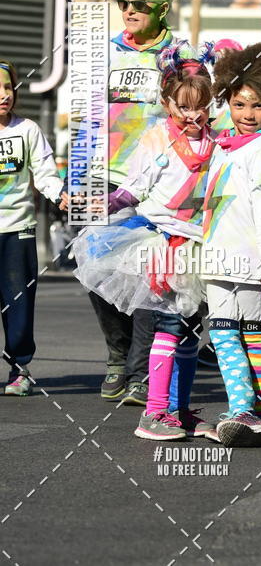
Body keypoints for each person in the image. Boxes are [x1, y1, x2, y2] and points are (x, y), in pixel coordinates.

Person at [74, 41, 219, 440]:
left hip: (200, 247)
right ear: (168, 103)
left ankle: (180, 409)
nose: (193, 114)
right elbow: (132, 190)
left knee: (190, 332)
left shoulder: (216, 141)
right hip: (161, 244)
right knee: (168, 328)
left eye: (200, 105)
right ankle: (154, 412)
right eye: (184, 106)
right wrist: (101, 207)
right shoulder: (158, 138)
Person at [87, 0, 184, 406]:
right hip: (105, 174)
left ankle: (141, 372)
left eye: (139, 5)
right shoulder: (103, 53)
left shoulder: (180, 54)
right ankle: (117, 351)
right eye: (123, 3)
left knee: (151, 275)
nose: (128, 10)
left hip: (159, 177)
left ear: (162, 9)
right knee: (93, 264)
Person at [201, 42, 261, 447]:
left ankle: (247, 411)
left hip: (249, 261)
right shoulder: (225, 142)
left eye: (257, 107)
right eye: (239, 105)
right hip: (218, 257)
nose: (247, 114)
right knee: (231, 335)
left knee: (247, 337)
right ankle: (248, 412)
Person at [0, 61, 67, 395]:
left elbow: (44, 173)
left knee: (18, 302)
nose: (3, 96)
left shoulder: (27, 129)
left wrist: (60, 196)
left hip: (18, 228)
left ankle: (19, 369)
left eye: (8, 88)